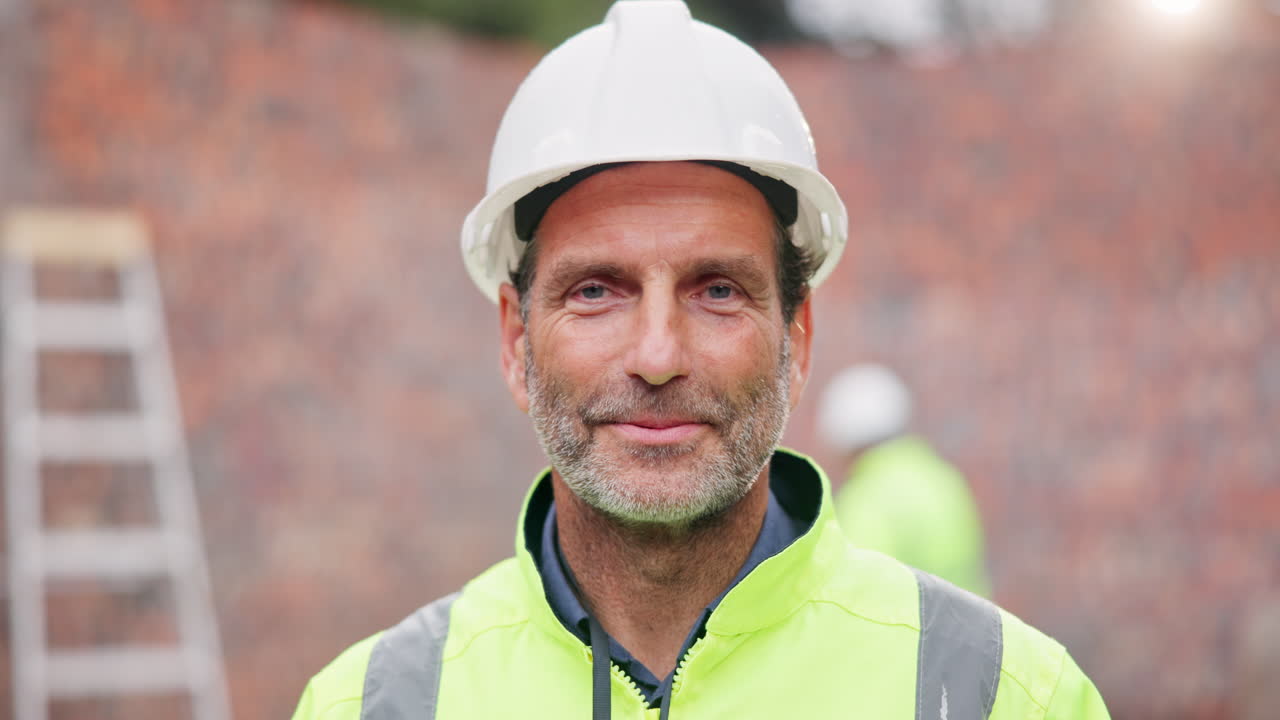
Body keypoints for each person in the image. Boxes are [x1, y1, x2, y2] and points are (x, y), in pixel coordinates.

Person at [291, 2, 1109, 717]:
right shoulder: (369, 706)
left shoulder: (1012, 699)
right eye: (595, 291)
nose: (657, 356)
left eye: (717, 290)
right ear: (515, 343)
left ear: (796, 341)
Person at [819, 363, 992, 596]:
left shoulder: (868, 497)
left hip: (911, 620)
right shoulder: (944, 479)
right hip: (965, 617)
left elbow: (862, 588)